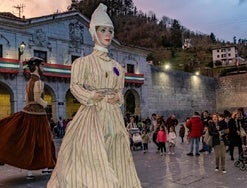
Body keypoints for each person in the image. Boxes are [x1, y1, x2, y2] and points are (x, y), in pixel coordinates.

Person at [47, 4, 141, 187]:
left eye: (111, 31)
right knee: (91, 152)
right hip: (92, 114)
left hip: (113, 116)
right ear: (94, 32)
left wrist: (119, 98)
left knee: (116, 153)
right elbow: (75, 86)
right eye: (103, 30)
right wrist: (91, 96)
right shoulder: (83, 63)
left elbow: (120, 91)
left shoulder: (117, 66)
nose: (108, 34)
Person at [0, 57, 56, 179]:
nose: (43, 68)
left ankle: (32, 171)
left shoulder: (29, 82)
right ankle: (46, 166)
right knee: (43, 140)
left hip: (28, 112)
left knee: (29, 142)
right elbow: (37, 99)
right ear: (36, 66)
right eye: (42, 66)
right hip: (38, 115)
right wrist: (46, 105)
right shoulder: (39, 82)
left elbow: (27, 100)